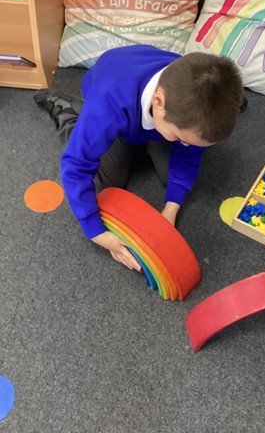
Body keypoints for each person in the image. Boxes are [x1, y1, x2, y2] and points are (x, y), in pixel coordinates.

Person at [35, 44, 244, 272]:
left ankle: (153, 139)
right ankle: (68, 110)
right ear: (158, 102)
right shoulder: (109, 103)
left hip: (154, 119)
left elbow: (189, 153)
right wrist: (97, 233)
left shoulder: (188, 98)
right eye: (180, 137)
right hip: (114, 104)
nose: (187, 146)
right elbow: (76, 165)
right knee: (103, 185)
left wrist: (171, 209)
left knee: (173, 173)